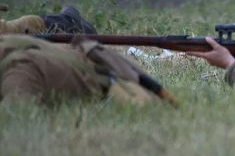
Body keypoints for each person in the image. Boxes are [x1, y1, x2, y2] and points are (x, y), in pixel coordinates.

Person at [0, 35, 169, 106]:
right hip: (106, 60)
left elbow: (18, 116)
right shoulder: (11, 46)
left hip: (115, 83)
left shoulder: (19, 72)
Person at [0, 5, 97, 35]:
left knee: (74, 29)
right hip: (28, 27)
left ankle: (68, 14)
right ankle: (66, 14)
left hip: (31, 26)